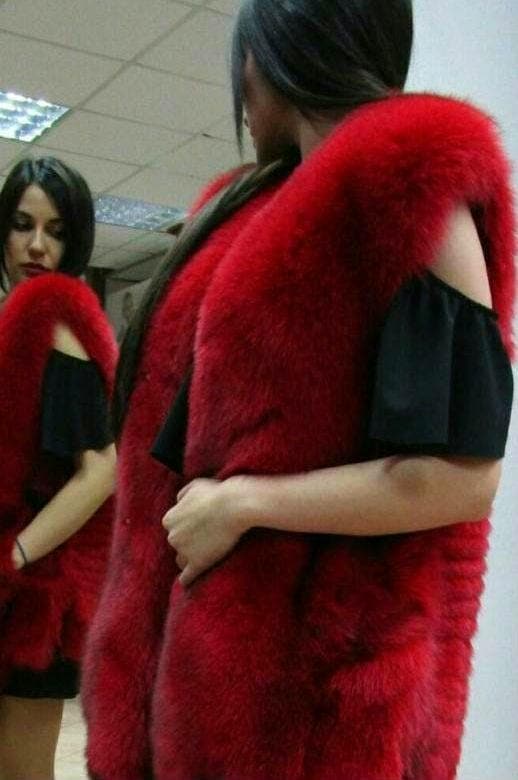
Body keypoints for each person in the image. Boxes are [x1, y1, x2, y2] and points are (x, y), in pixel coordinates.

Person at [83, 1, 515, 778]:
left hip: (315, 709)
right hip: (208, 686)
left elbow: (462, 477)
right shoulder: (250, 215)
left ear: (274, 48)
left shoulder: (409, 187)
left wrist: (244, 504)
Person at [0, 157, 117, 780]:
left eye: (56, 231)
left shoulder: (58, 322)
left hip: (41, 592)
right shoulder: (21, 322)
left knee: (22, 767)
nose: (37, 246)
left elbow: (101, 471)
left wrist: (15, 555)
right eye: (23, 225)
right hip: (23, 581)